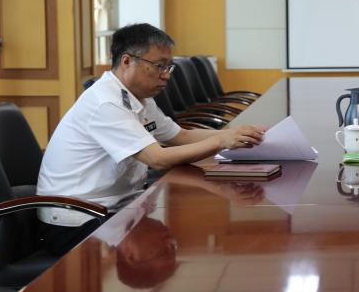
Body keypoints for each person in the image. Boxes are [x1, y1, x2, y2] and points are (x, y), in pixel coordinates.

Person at [36, 23, 266, 255]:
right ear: (127, 61)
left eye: (168, 67)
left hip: (117, 206)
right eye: (159, 66)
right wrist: (222, 141)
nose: (166, 75)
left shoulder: (139, 98)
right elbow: (157, 158)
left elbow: (180, 136)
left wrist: (237, 133)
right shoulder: (106, 103)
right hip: (77, 219)